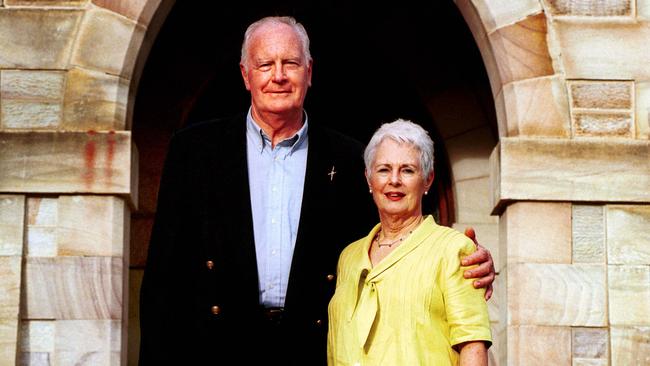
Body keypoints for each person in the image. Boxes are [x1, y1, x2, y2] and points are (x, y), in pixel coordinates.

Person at [139, 16, 495, 365]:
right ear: (246, 75)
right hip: (216, 348)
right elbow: (162, 281)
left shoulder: (348, 155)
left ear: (308, 72)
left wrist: (463, 260)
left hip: (310, 348)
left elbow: (395, 237)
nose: (278, 76)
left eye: (290, 63)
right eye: (265, 64)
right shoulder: (194, 150)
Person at [328, 119, 492, 365]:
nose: (394, 180)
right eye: (383, 169)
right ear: (368, 179)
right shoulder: (348, 257)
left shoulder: (454, 250)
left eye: (407, 170)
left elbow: (472, 347)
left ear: (427, 179)